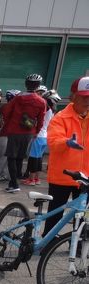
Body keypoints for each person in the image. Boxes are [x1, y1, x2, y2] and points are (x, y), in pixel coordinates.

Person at [43, 76, 89, 236]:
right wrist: (66, 142)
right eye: (84, 97)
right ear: (73, 96)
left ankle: (76, 244)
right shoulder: (61, 118)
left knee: (82, 215)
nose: (88, 101)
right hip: (63, 176)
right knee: (56, 212)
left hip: (85, 178)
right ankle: (47, 241)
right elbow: (53, 141)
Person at [1, 73, 47, 193]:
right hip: (29, 132)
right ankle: (15, 180)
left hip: (14, 130)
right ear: (38, 86)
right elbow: (41, 119)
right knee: (20, 157)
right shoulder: (41, 101)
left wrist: (9, 122)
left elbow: (6, 110)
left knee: (11, 157)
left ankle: (14, 184)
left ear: (26, 84)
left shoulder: (18, 98)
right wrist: (36, 131)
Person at [23, 89, 61, 186]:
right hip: (45, 137)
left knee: (33, 159)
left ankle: (31, 180)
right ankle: (36, 179)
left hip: (38, 136)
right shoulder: (53, 111)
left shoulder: (45, 109)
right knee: (39, 159)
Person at [0, 89, 20, 182]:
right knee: (3, 157)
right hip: (6, 135)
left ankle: (2, 174)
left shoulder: (13, 108)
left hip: (11, 135)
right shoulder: (6, 107)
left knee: (8, 157)